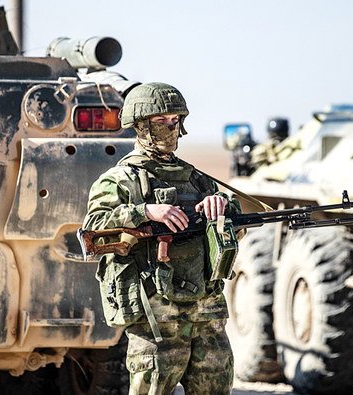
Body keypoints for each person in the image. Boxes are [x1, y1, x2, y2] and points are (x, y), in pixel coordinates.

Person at [83, 82, 240, 395]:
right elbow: (93, 233)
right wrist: (144, 212)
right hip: (155, 313)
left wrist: (222, 206)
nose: (170, 128)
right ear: (140, 126)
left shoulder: (195, 177)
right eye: (161, 122)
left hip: (205, 310)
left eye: (175, 121)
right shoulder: (120, 179)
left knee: (217, 384)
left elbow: (235, 222)